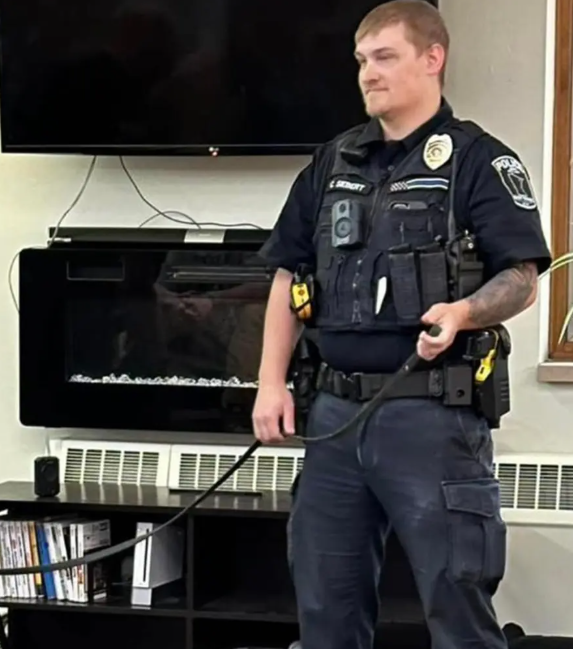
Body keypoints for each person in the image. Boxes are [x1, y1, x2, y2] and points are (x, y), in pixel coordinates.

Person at [252, 2, 551, 648]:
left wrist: (463, 313)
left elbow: (522, 277)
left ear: (433, 58)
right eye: (362, 60)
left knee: (458, 607)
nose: (368, 73)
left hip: (432, 415)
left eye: (385, 57)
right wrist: (270, 383)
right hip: (334, 417)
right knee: (324, 607)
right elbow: (287, 274)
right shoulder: (332, 162)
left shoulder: (477, 161)